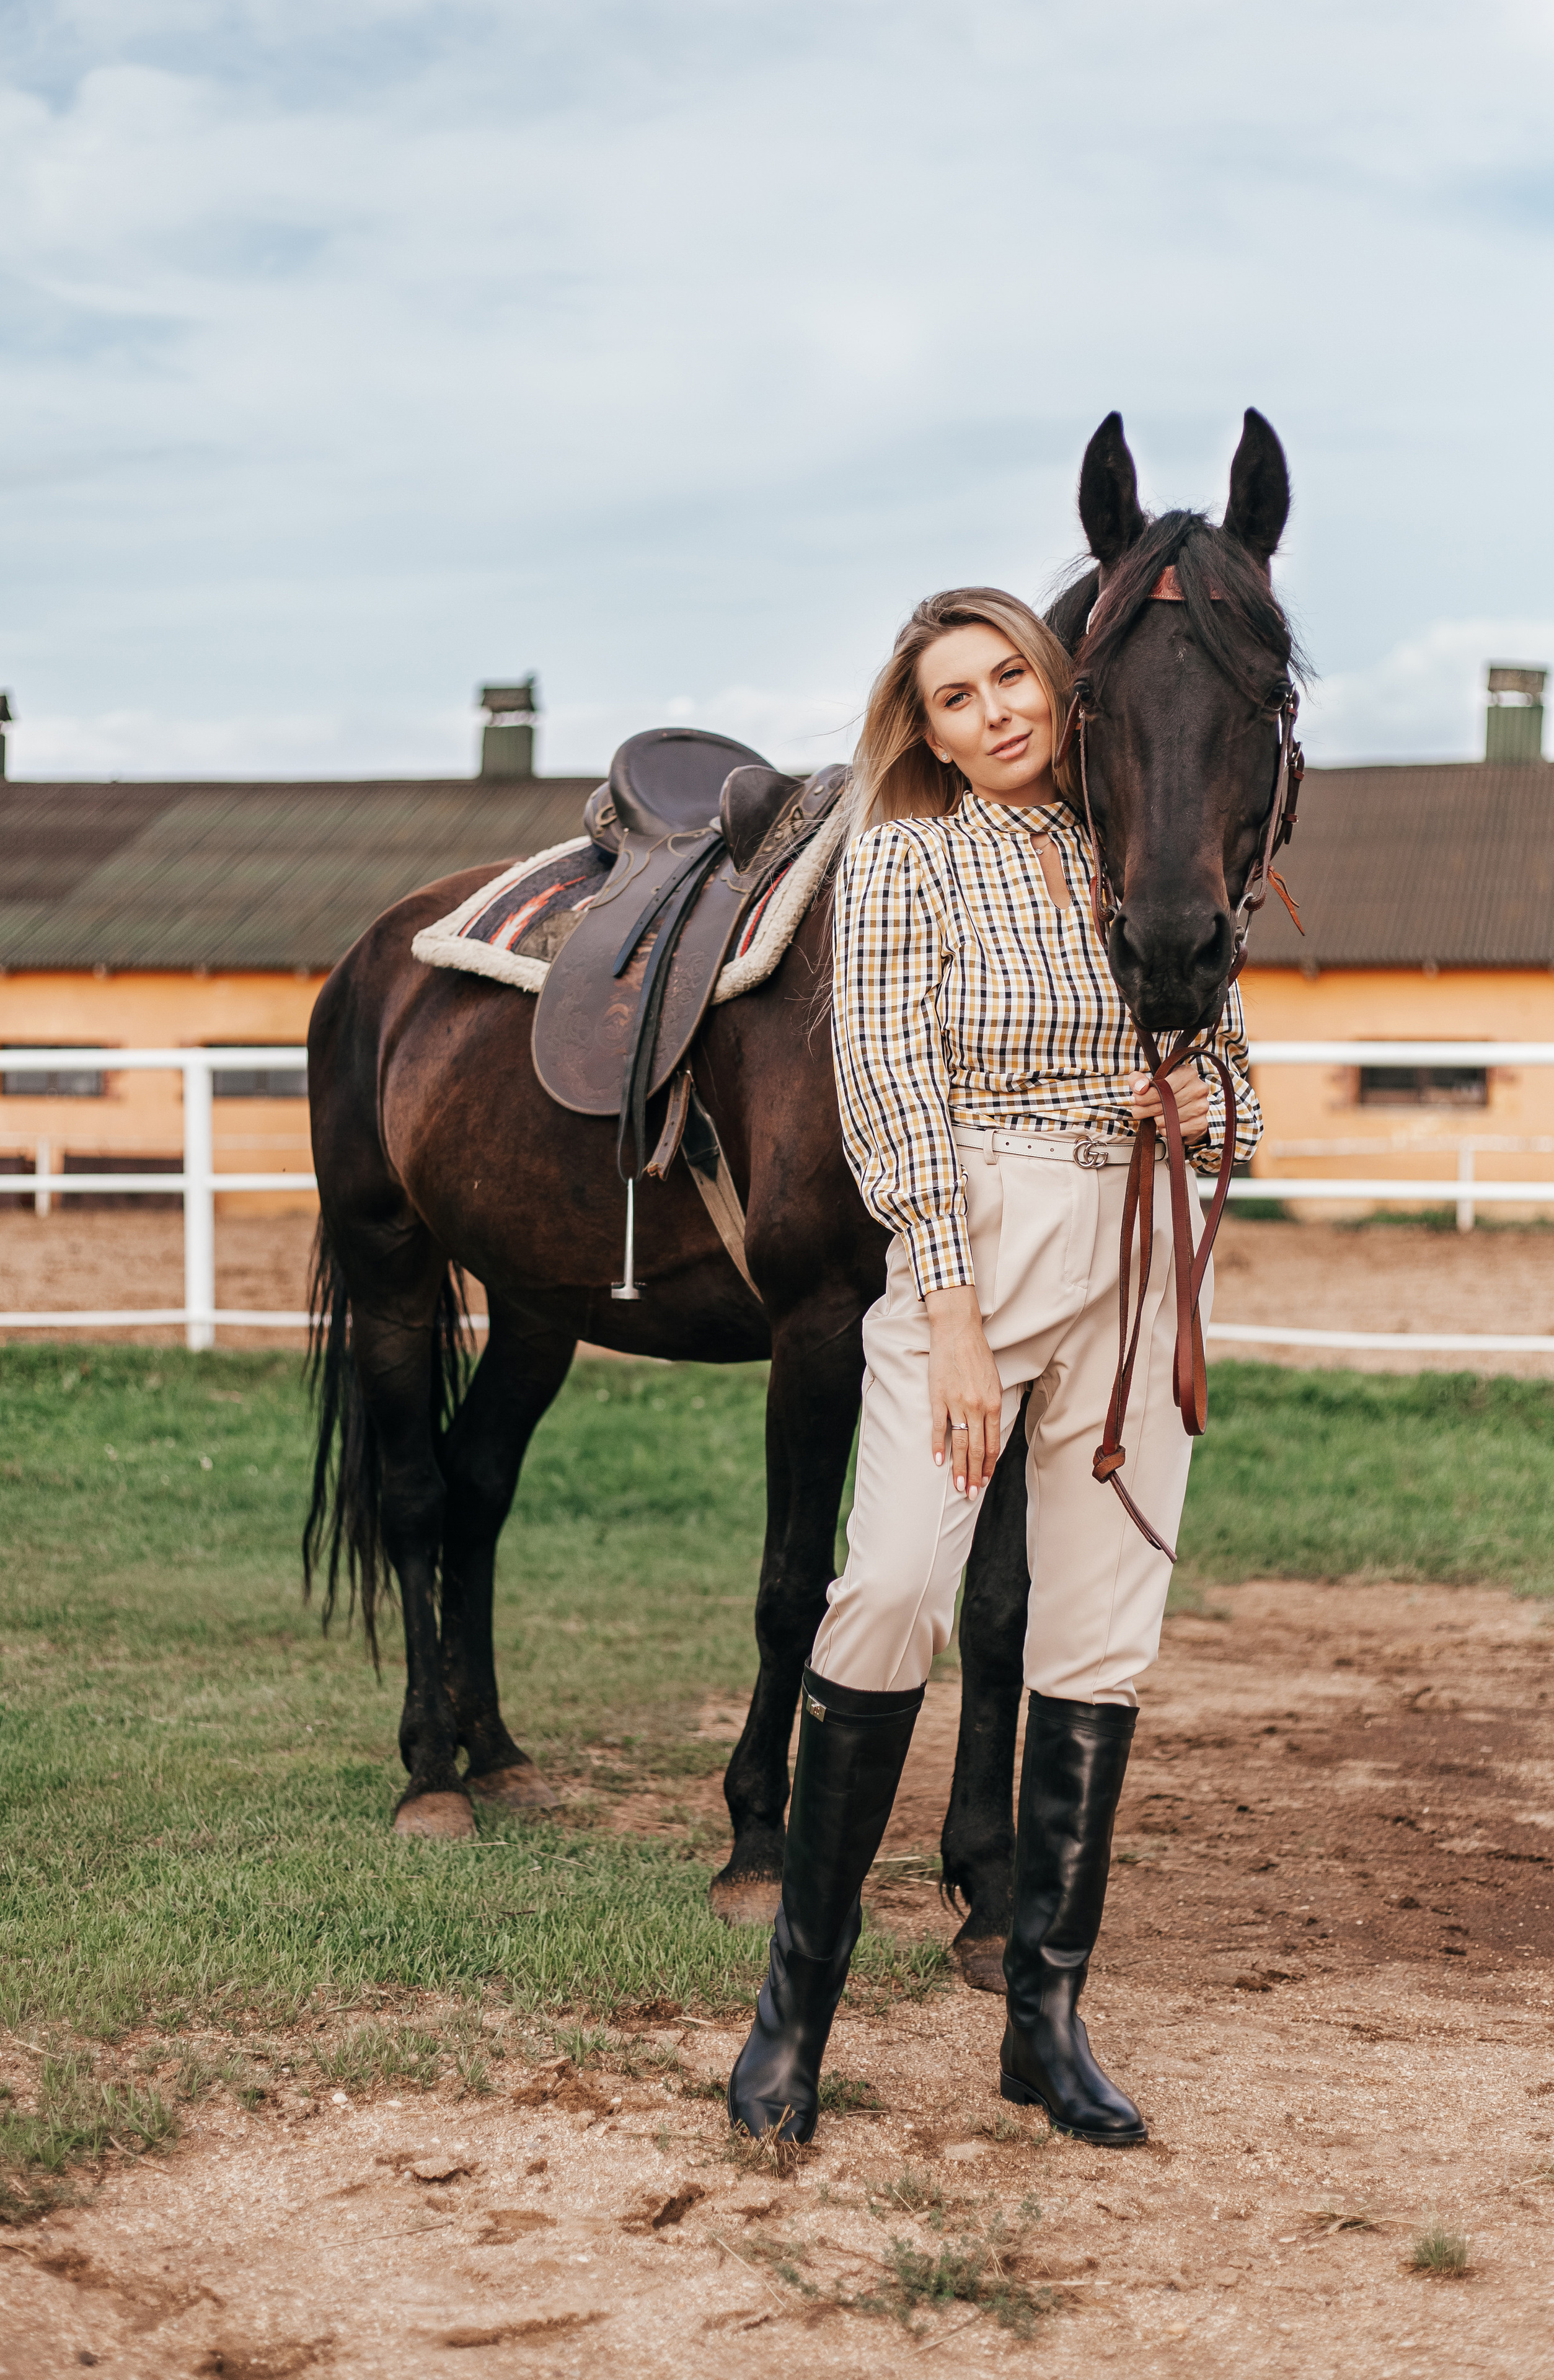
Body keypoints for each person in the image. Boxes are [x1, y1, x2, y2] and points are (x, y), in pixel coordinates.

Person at [727, 588, 1262, 2148]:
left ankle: (1044, 2023)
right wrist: (950, 1314)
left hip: (1136, 1246)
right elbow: (887, 1083)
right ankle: (791, 2019)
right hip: (979, 1232)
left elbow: (1230, 1068)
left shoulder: (1135, 848)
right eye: (955, 699)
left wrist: (1205, 1109)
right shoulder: (906, 856)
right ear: (929, 732)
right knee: (891, 1587)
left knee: (1098, 1630)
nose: (995, 713)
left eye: (1009, 677)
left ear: (1058, 683)